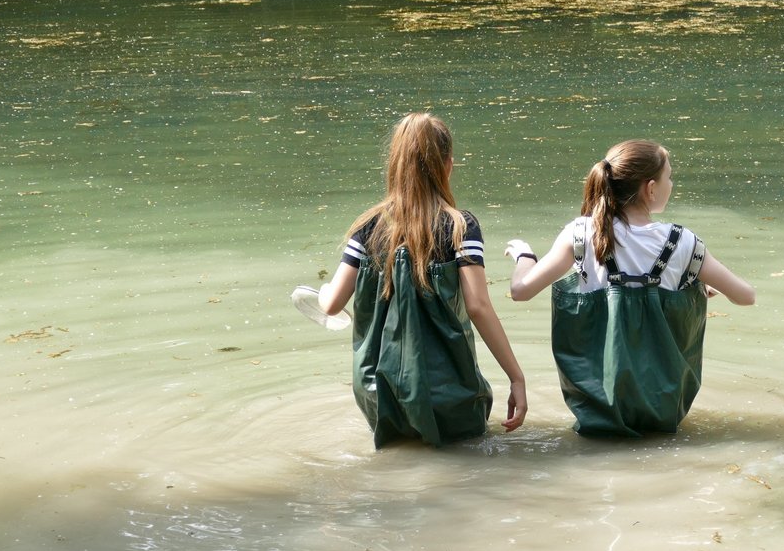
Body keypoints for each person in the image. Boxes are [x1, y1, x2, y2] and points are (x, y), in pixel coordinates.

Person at [503, 139, 754, 437]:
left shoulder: (580, 233)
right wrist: (696, 287)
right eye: (669, 177)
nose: (671, 184)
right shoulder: (684, 243)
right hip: (663, 408)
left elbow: (521, 291)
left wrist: (525, 256)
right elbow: (745, 296)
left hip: (596, 407)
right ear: (650, 188)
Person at [318, 113, 529, 448]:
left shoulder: (367, 227)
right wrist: (516, 377)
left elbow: (331, 306)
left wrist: (323, 292)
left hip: (379, 392)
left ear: (395, 165)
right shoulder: (461, 227)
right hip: (448, 391)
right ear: (447, 165)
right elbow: (477, 305)